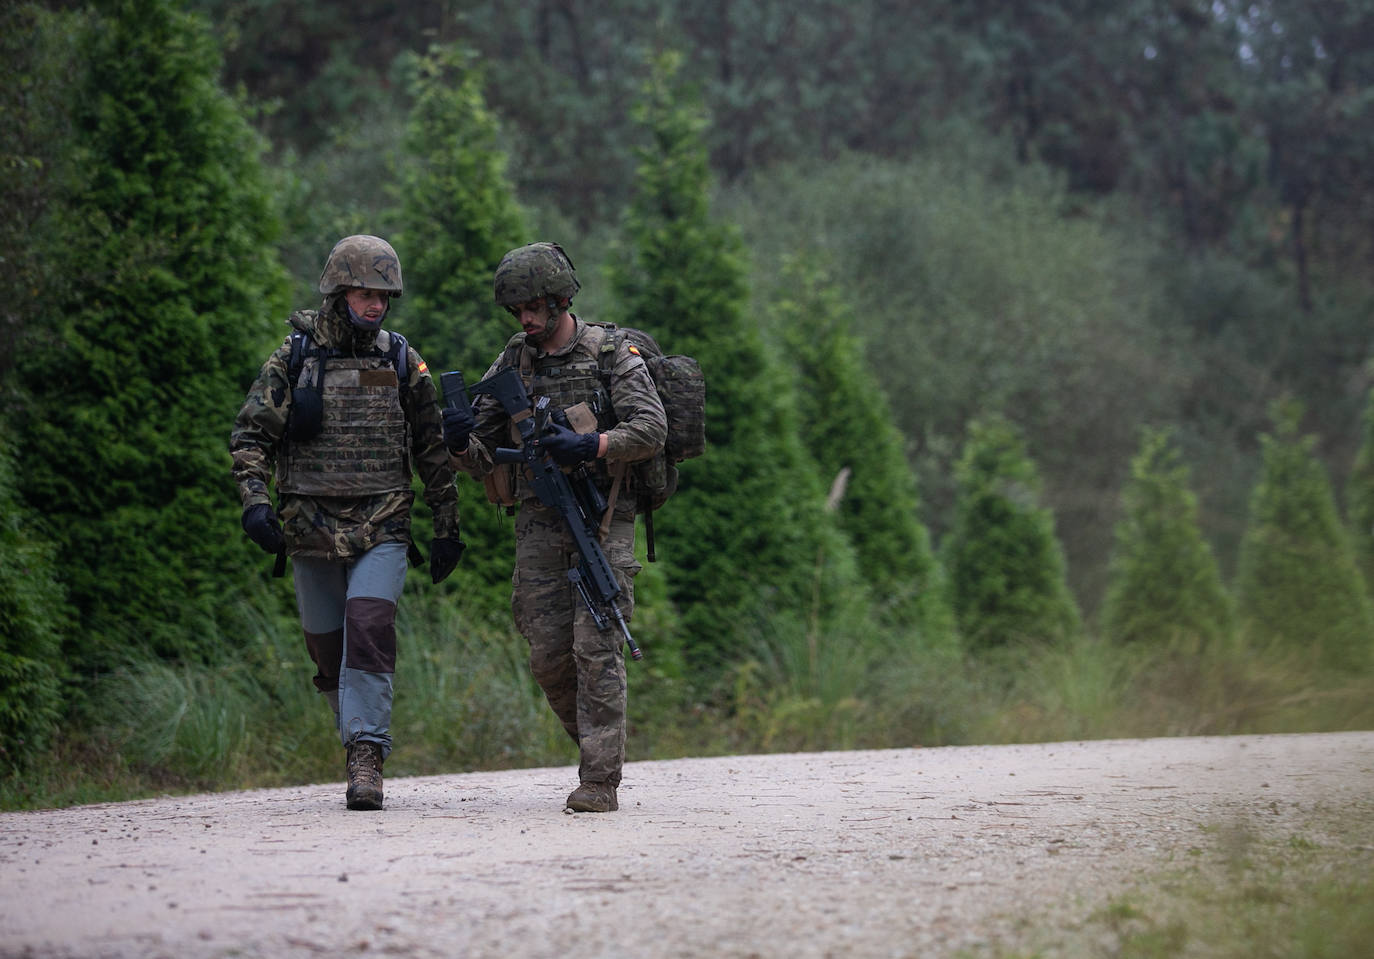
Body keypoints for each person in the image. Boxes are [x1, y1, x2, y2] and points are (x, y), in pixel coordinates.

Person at [229, 234, 463, 811]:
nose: (376, 305)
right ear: (339, 293)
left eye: (383, 295)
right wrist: (255, 502)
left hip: (383, 519)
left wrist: (446, 524)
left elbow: (433, 447)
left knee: (369, 627)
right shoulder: (294, 358)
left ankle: (366, 753)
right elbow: (251, 435)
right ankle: (355, 728)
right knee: (326, 647)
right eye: (364, 293)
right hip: (308, 523)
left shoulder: (401, 359)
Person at [444, 241, 666, 812]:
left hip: (602, 515)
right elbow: (482, 455)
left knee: (598, 646)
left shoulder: (612, 353)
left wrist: (591, 443)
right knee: (548, 655)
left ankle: (599, 779)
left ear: (561, 298)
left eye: (535, 307)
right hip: (540, 522)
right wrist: (457, 440)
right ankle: (599, 742)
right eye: (516, 310)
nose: (525, 319)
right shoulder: (514, 360)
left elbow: (651, 428)